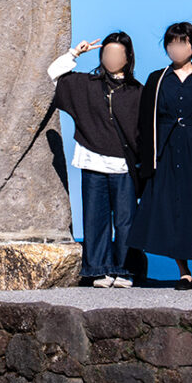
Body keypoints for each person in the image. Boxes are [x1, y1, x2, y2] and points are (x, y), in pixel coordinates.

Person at [127, 23, 192, 290]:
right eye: (171, 44)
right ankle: (183, 271)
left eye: (182, 43)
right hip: (166, 149)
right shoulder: (156, 78)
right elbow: (144, 120)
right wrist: (146, 157)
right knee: (171, 208)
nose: (176, 48)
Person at [47, 31, 143, 288]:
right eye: (107, 53)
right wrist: (75, 53)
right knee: (95, 219)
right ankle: (98, 270)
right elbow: (54, 73)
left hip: (124, 165)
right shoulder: (87, 83)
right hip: (91, 161)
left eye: (117, 54)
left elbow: (144, 132)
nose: (112, 58)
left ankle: (124, 270)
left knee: (126, 221)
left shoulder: (137, 91)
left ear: (127, 57)